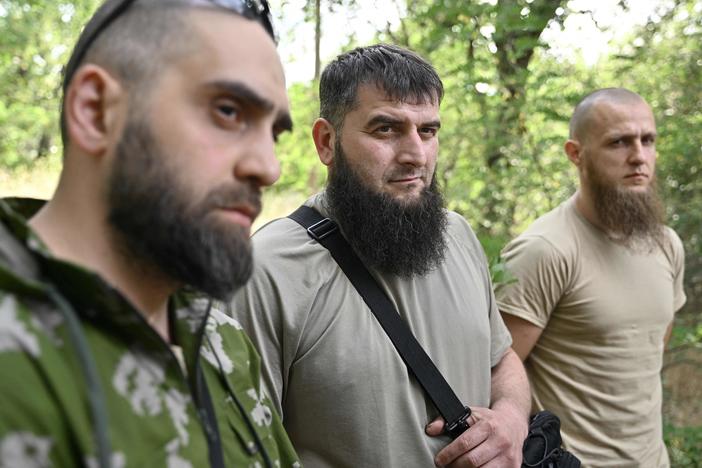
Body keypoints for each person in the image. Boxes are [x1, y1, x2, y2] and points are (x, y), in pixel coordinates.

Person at [0, 1, 301, 466]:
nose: (269, 167)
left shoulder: (222, 341)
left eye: (274, 132)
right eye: (227, 111)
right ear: (96, 110)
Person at [232, 43, 530, 468]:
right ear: (326, 142)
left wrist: (511, 420)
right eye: (385, 129)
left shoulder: (459, 236)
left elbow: (502, 361)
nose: (415, 155)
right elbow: (239, 450)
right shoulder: (266, 270)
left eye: (428, 131)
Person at [495, 88, 686, 467]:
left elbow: (649, 348)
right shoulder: (545, 250)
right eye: (619, 142)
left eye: (648, 140)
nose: (639, 157)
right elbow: (496, 372)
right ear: (575, 153)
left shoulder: (666, 243)